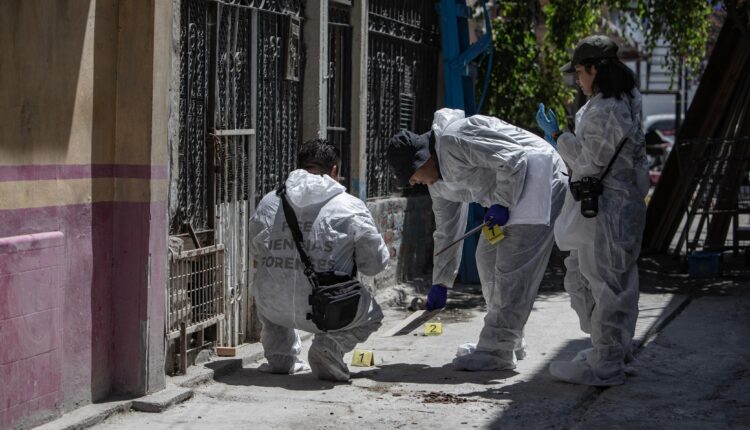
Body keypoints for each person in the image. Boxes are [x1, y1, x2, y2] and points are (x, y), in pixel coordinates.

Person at [387, 109, 567, 371]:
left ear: (423, 158)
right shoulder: (436, 183)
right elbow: (447, 230)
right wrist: (441, 281)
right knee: (486, 258)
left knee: (512, 269)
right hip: (514, 193)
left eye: (412, 175)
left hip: (541, 176)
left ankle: (497, 348)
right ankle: (506, 339)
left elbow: (513, 157)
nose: (413, 182)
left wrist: (503, 203)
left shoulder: (455, 139)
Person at [536, 34, 650, 386]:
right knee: (613, 283)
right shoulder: (625, 99)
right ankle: (612, 350)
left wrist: (558, 136)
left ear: (596, 70)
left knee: (603, 286)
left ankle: (606, 365)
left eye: (581, 73)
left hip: (608, 213)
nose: (579, 82)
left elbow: (587, 163)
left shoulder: (606, 109)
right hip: (621, 208)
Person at [249, 138, 389, 382]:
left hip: (272, 306)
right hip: (326, 312)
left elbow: (256, 250)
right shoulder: (350, 206)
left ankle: (280, 357)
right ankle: (329, 347)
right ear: (334, 170)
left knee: (269, 281)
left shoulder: (270, 200)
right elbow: (374, 264)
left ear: (299, 167)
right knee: (373, 314)